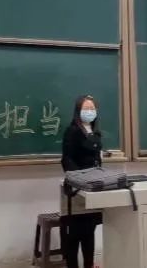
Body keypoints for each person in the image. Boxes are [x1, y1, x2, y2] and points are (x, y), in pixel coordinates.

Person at [61, 94, 102, 268]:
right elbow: (67, 159)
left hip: (93, 186)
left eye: (92, 108)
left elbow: (96, 158)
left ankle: (89, 264)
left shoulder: (95, 132)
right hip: (76, 188)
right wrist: (79, 178)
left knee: (89, 230)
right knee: (75, 233)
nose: (89, 111)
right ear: (78, 111)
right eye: (86, 108)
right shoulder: (72, 131)